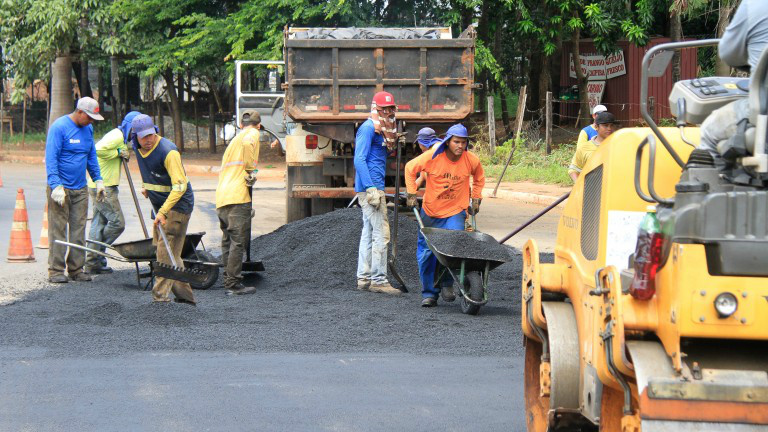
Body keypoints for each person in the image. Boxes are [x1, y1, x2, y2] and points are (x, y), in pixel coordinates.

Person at [405, 124, 486, 307]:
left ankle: (447, 283)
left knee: (452, 248)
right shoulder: (433, 156)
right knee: (427, 254)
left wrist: (476, 197)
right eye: (456, 142)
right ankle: (429, 293)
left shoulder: (470, 160)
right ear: (448, 141)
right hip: (431, 212)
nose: (460, 146)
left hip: (455, 211)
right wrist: (411, 194)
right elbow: (410, 168)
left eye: (463, 142)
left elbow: (479, 177)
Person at [131, 114, 196, 305]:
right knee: (171, 252)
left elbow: (180, 186)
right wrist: (146, 186)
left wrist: (163, 212)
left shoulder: (168, 151)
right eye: (143, 136)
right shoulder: (137, 148)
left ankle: (160, 299)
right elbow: (149, 171)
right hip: (160, 205)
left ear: (155, 131)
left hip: (177, 206)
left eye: (150, 135)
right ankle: (186, 298)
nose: (148, 140)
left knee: (165, 253)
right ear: (135, 137)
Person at [698, 0, 768, 166]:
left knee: (709, 129)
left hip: (764, 115)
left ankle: (714, 180)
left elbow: (728, 53)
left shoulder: (755, 5)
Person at [45, 97, 105, 283]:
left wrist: (98, 179)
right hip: (61, 189)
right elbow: (51, 158)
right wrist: (55, 185)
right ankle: (56, 270)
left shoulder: (88, 129)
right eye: (89, 117)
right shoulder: (59, 127)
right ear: (80, 112)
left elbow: (91, 156)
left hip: (80, 189)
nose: (91, 121)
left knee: (79, 230)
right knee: (58, 230)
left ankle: (76, 269)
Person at [354, 91, 401, 295]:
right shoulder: (368, 129)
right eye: (384, 109)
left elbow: (380, 154)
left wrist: (394, 144)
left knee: (368, 232)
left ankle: (364, 278)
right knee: (381, 233)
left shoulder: (381, 130)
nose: (388, 113)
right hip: (371, 189)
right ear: (376, 109)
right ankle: (379, 280)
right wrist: (370, 188)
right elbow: (359, 159)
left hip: (374, 186)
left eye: (391, 109)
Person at [84, 111, 140, 274]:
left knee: (98, 223)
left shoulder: (120, 137)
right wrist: (117, 153)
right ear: (130, 127)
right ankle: (97, 253)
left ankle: (92, 262)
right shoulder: (116, 135)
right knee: (118, 223)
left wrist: (123, 153)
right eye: (135, 130)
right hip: (104, 187)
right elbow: (96, 150)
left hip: (100, 185)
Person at [215, 110, 261, 295]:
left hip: (222, 196)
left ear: (241, 125)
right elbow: (249, 142)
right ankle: (233, 284)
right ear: (258, 125)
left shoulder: (234, 140)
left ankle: (228, 278)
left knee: (228, 241)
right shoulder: (252, 134)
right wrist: (251, 171)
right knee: (238, 242)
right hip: (238, 197)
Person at [568, 111, 616, 181]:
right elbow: (574, 169)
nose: (609, 128)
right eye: (605, 125)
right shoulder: (584, 148)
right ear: (596, 127)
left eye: (611, 125)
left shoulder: (620, 146)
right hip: (592, 186)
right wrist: (578, 184)